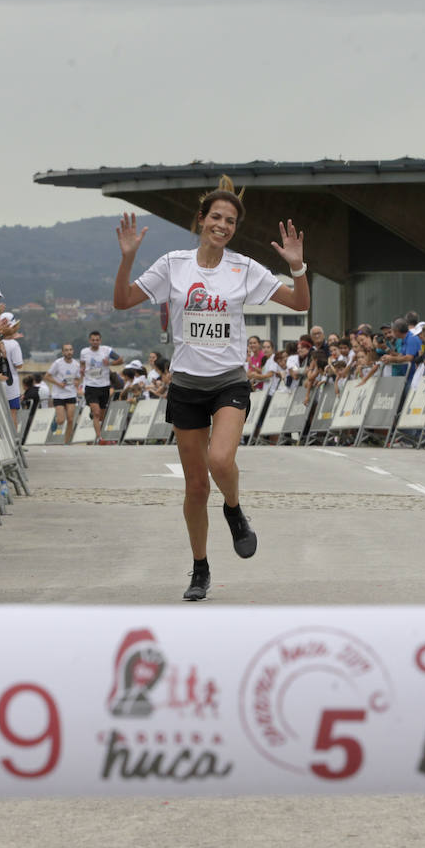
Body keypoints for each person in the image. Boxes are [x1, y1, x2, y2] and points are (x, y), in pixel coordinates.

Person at [111, 178, 308, 602]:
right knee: (196, 487)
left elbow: (299, 303)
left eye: (230, 221)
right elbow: (124, 300)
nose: (222, 225)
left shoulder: (243, 268)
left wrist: (296, 266)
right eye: (216, 217)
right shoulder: (174, 264)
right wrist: (128, 258)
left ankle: (234, 509)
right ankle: (200, 567)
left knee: (221, 460)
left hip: (229, 382)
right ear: (201, 220)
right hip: (185, 385)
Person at [79, 330, 122, 441]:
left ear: (100, 340)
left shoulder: (106, 350)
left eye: (97, 340)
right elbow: (82, 364)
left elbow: (120, 359)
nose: (95, 342)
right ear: (89, 341)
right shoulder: (84, 352)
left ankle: (94, 416)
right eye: (93, 340)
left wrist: (110, 363)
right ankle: (99, 438)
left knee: (101, 415)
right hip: (90, 386)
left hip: (104, 386)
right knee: (97, 413)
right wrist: (82, 369)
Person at [44, 343, 83, 443]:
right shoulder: (57, 363)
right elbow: (47, 376)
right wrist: (58, 383)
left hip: (71, 394)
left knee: (70, 419)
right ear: (62, 352)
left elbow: (78, 378)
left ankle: (67, 442)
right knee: (61, 420)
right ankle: (55, 420)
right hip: (58, 394)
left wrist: (76, 382)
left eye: (70, 350)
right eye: (66, 350)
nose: (69, 352)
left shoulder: (76, 364)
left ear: (73, 351)